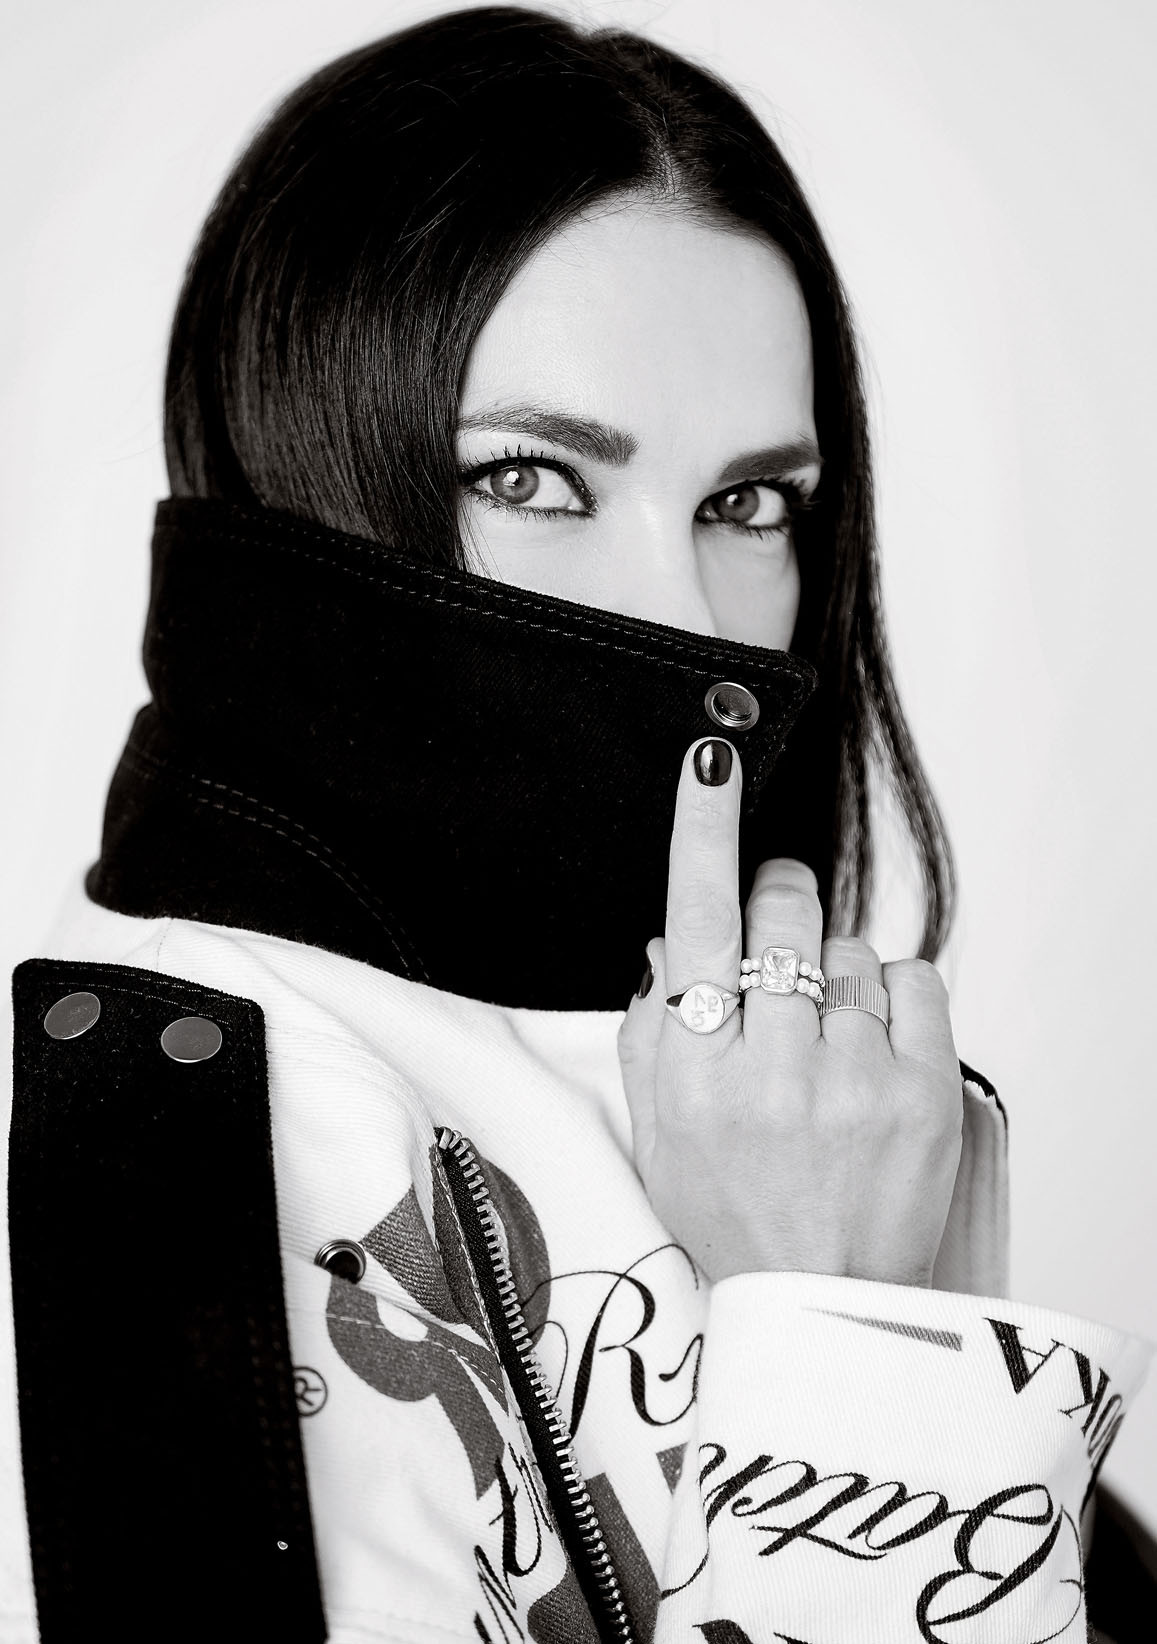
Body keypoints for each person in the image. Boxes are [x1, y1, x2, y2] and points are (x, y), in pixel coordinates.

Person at [4, 8, 1153, 1641]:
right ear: (294, 471)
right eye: (532, 479)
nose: (680, 614)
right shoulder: (133, 1158)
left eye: (746, 504)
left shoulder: (786, 1107)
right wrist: (842, 1343)